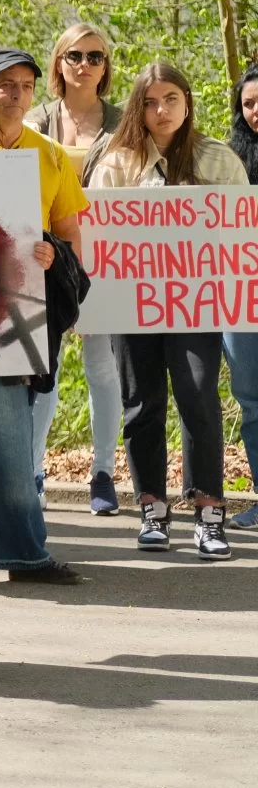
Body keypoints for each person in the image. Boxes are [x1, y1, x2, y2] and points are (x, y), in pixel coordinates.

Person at [91, 61, 247, 559]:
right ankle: (152, 510)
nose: (162, 111)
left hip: (196, 306)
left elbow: (242, 234)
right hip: (130, 306)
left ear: (187, 101)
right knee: (142, 404)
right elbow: (96, 235)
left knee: (199, 398)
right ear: (138, 105)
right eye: (151, 102)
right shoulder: (116, 164)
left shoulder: (218, 160)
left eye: (171, 100)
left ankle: (208, 514)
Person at [0, 49, 87, 583]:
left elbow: (68, 232)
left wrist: (61, 267)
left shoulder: (51, 156)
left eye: (25, 85)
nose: (15, 93)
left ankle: (9, 543)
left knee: (10, 433)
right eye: (4, 84)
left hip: (20, 308)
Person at [24, 23, 122, 513]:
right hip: (48, 262)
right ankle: (34, 471)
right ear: (59, 62)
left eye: (96, 57)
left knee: (103, 368)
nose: (85, 65)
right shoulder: (34, 122)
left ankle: (103, 472)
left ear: (107, 68)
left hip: (107, 263)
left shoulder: (126, 122)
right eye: (76, 56)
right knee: (45, 368)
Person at [228, 66, 258, 530]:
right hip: (240, 294)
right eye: (248, 103)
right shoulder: (227, 160)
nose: (255, 112)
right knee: (251, 398)